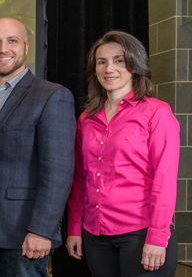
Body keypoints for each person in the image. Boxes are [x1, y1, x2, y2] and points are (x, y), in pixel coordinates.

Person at [0, 17, 75, 277]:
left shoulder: (51, 95)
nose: (3, 49)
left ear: (26, 47)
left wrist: (42, 229)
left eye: (11, 41)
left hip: (26, 232)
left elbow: (58, 171)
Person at [66, 31, 179, 276]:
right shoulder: (86, 119)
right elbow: (80, 178)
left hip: (140, 234)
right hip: (95, 234)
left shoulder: (156, 112)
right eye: (101, 62)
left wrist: (158, 237)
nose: (109, 69)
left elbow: (165, 180)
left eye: (119, 60)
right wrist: (75, 226)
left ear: (134, 64)